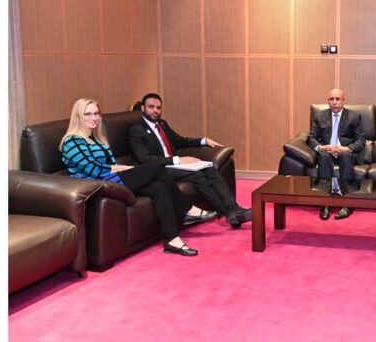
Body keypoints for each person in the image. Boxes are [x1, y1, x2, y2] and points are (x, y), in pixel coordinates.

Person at [60, 98, 207, 257]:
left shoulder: (96, 139)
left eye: (96, 113)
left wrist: (118, 168)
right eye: (88, 114)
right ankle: (187, 208)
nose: (94, 117)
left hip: (111, 179)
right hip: (96, 186)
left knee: (160, 187)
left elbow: (110, 163)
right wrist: (118, 168)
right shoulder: (72, 141)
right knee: (157, 168)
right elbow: (93, 169)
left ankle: (172, 240)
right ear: (78, 116)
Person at [128, 93, 252, 228]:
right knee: (197, 175)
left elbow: (179, 140)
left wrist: (203, 140)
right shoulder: (137, 130)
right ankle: (230, 213)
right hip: (159, 168)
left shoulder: (162, 124)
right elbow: (145, 159)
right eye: (151, 107)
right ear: (143, 108)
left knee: (209, 169)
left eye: (158, 108)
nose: (155, 111)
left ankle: (233, 208)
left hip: (174, 164)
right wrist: (177, 160)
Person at [307, 88, 365, 220]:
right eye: (331, 99)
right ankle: (325, 203)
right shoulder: (319, 116)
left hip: (346, 153)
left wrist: (347, 148)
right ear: (328, 101)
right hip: (327, 152)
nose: (334, 102)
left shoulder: (354, 116)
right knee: (323, 156)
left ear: (343, 100)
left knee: (345, 155)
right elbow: (311, 138)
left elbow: (361, 141)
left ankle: (347, 203)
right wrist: (321, 147)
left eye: (337, 99)